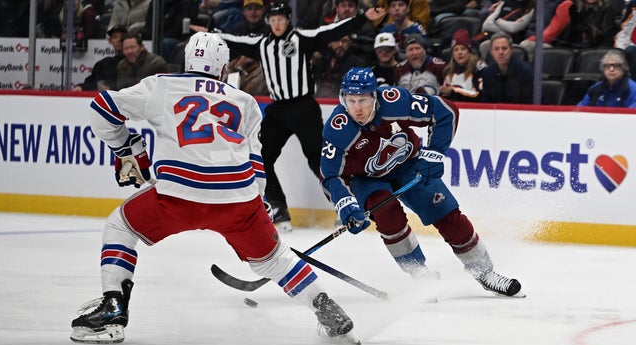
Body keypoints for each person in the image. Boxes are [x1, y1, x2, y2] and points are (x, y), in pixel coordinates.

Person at [70, 32, 358, 345]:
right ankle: (325, 307)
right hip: (238, 198)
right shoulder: (244, 100)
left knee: (120, 227)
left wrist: (128, 149)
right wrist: (258, 202)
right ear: (223, 69)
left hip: (177, 194)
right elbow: (256, 163)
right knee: (275, 260)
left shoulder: (162, 84)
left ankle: (114, 307)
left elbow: (102, 108)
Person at [320, 67, 523, 296]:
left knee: (446, 213)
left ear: (375, 96)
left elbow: (445, 111)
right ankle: (419, 273)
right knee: (387, 212)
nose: (357, 107)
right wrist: (346, 204)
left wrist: (434, 153)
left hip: (408, 166)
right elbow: (330, 175)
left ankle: (484, 273)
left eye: (363, 100)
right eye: (351, 100)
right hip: (367, 180)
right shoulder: (337, 129)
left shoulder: (394, 101)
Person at [218, 1, 386, 232]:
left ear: (288, 20)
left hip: (304, 107)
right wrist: (206, 36)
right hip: (278, 110)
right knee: (259, 157)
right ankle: (277, 207)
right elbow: (231, 41)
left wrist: (363, 18)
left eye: (280, 19)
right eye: (273, 20)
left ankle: (344, 205)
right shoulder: (261, 43)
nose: (277, 24)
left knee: (318, 159)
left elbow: (333, 31)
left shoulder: (301, 39)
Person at [480, 31, 533, 104]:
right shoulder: (487, 73)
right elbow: (486, 103)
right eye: (496, 49)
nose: (501, 52)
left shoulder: (525, 71)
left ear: (511, 50)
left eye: (504, 48)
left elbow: (529, 102)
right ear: (491, 52)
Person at [320, 0, 377, 65]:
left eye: (350, 6)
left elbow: (368, 56)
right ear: (337, 8)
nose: (347, 9)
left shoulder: (366, 29)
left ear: (356, 8)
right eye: (343, 5)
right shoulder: (327, 26)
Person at [73, 25, 127, 92]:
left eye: (122, 36)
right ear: (110, 40)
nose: (119, 40)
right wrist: (81, 87)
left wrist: (111, 89)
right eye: (115, 37)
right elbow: (92, 82)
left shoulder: (136, 62)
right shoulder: (103, 64)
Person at [439, 28, 485, 101]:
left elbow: (480, 95)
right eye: (456, 49)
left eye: (463, 49)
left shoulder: (479, 68)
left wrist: (454, 91)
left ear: (469, 51)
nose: (459, 52)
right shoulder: (448, 71)